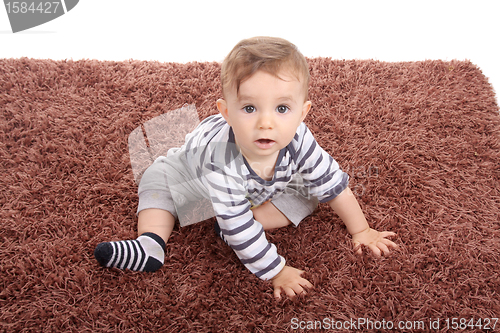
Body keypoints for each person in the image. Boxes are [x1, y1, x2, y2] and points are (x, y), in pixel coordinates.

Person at [94, 36, 398, 300]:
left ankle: (243, 223)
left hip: (261, 187)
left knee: (311, 194)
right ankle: (151, 243)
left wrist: (362, 229)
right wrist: (276, 271)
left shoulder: (299, 138)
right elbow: (236, 221)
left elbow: (333, 183)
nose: (266, 122)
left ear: (302, 113)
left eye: (282, 109)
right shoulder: (221, 158)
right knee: (156, 177)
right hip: (194, 178)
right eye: (249, 108)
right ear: (226, 112)